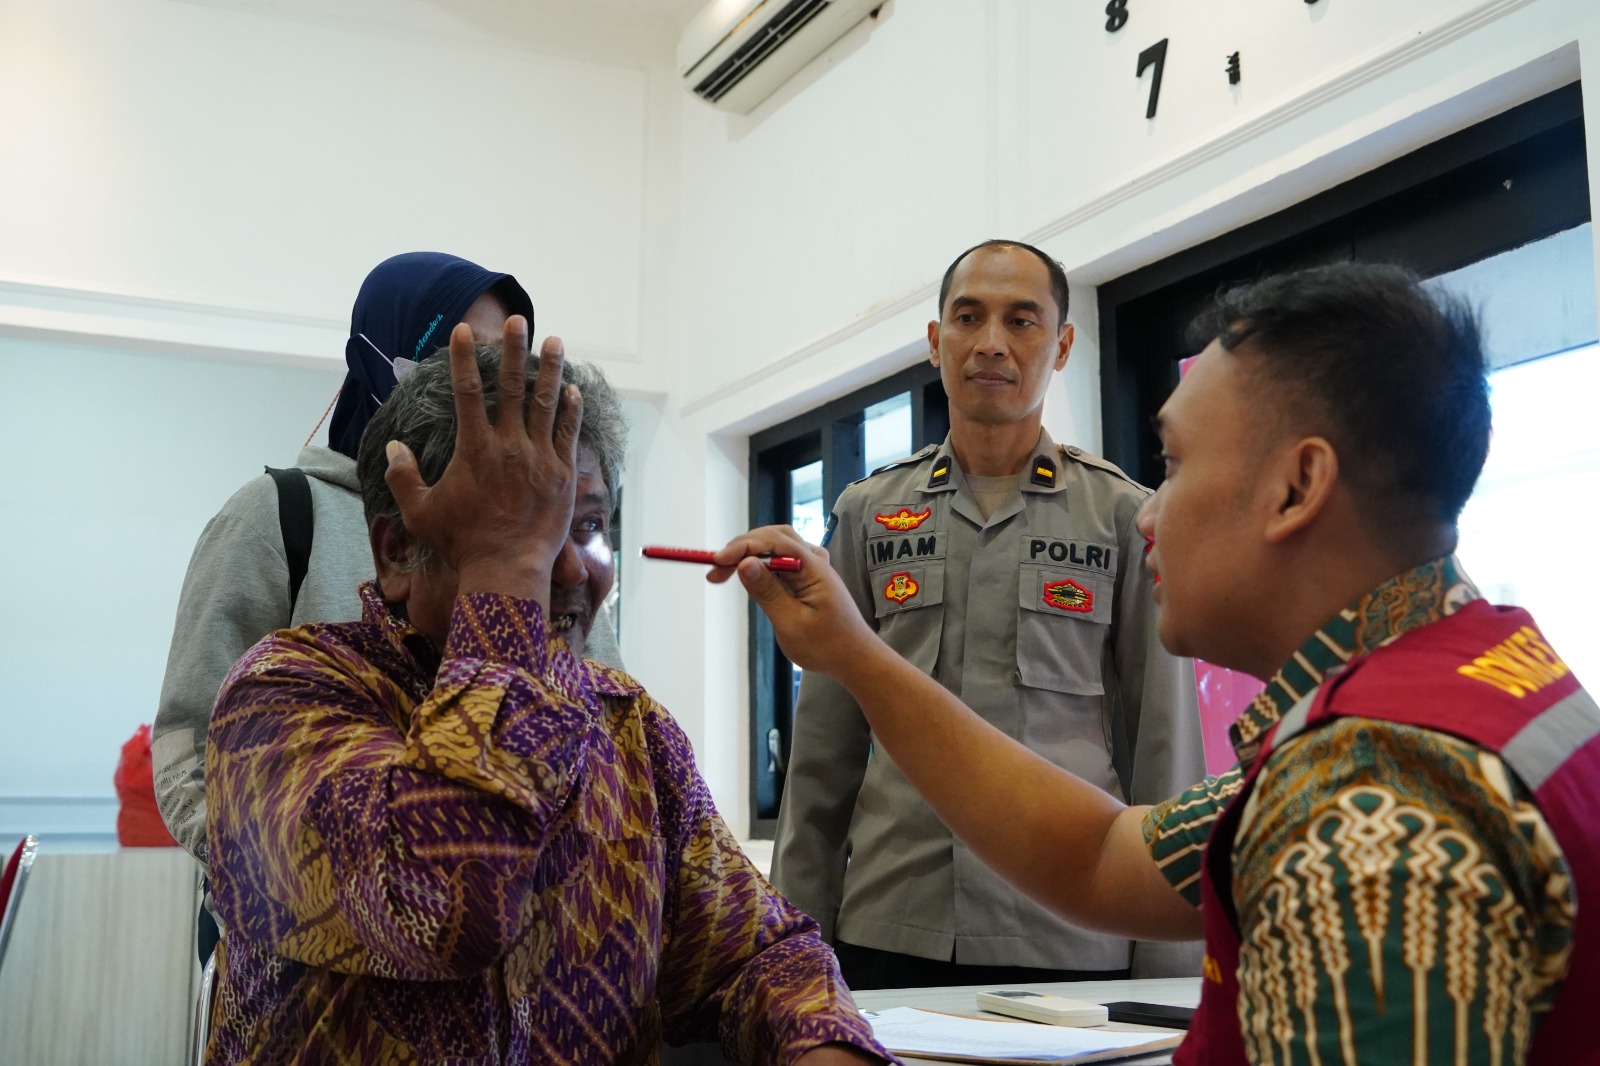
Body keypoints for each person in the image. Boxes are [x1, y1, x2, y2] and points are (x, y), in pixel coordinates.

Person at [719, 262, 1597, 1063]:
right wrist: (855, 657)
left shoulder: (1370, 811)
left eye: (1175, 465)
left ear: (1297, 487)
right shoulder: (1470, 682)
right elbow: (1102, 851)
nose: (1150, 515)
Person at [203, 319, 889, 1065]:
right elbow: (446, 906)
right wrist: (506, 571)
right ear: (397, 551)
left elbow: (754, 954)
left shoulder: (633, 730)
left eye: (584, 524)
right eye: (518, 529)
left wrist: (825, 1044)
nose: (561, 569)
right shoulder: (282, 697)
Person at [772, 238, 1204, 988]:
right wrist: (787, 952)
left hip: (1069, 936)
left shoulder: (1121, 517)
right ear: (936, 342)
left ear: (1062, 344)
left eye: (1022, 320)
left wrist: (1166, 977)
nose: (991, 344)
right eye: (968, 318)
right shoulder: (871, 513)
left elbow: (1162, 751)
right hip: (891, 924)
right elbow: (822, 757)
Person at [153, 251, 625, 866]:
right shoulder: (277, 517)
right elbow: (191, 741)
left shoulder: (547, 538)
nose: (483, 388)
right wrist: (278, 877)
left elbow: (611, 713)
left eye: (505, 364)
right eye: (458, 360)